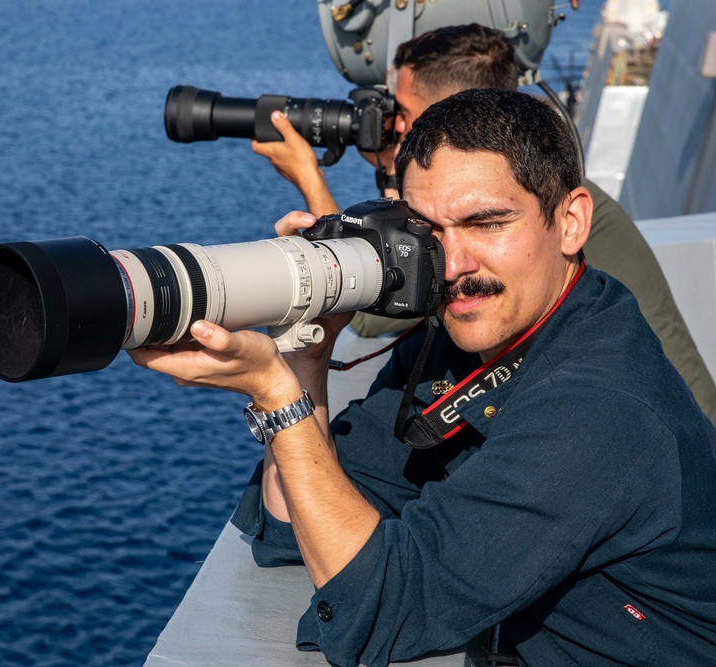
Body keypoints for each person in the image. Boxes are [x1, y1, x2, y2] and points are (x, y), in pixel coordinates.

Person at [130, 89, 716, 666]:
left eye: (486, 223)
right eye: (428, 232)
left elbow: (381, 610)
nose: (453, 267)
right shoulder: (469, 335)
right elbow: (294, 531)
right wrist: (305, 356)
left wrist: (275, 396)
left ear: (570, 222)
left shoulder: (597, 407)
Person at [252, 23, 716, 424]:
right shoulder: (540, 186)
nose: (393, 127)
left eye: (405, 115)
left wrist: (310, 179)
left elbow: (376, 317)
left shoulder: (544, 215)